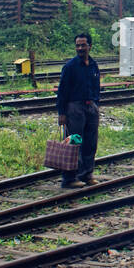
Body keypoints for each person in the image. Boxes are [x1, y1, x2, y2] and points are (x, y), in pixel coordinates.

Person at [57, 31, 101, 189]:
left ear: (90, 46)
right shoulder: (70, 67)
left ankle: (86, 174)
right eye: (78, 45)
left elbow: (96, 86)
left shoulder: (94, 65)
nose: (80, 48)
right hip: (74, 107)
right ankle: (69, 178)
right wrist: (62, 113)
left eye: (83, 45)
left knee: (90, 142)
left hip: (91, 107)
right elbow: (62, 91)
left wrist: (96, 103)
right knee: (74, 142)